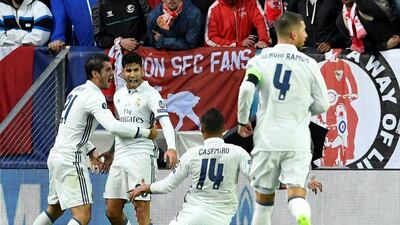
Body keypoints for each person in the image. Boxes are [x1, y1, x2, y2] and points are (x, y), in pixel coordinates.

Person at [32, 54, 158, 225]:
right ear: (95, 74)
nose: (112, 73)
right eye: (107, 69)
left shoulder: (77, 91)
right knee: (82, 215)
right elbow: (113, 126)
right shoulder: (94, 96)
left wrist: (91, 151)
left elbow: (73, 130)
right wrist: (146, 133)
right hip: (71, 159)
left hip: (56, 156)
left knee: (54, 209)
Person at [237, 11, 329, 225]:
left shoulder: (260, 60)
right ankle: (303, 217)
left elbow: (246, 90)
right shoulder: (309, 63)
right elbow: (323, 104)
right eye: (304, 30)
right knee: (296, 194)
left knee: (263, 201)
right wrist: (302, 111)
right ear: (294, 34)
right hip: (297, 139)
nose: (307, 34)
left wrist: (243, 121)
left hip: (267, 139)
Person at [128, 108, 252, 225]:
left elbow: (168, 185)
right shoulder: (238, 152)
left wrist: (146, 188)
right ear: (224, 128)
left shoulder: (192, 154)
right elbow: (255, 177)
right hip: (221, 218)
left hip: (191, 216)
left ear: (202, 129)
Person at [101, 52, 178, 225]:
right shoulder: (118, 95)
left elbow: (165, 122)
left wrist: (171, 147)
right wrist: (112, 151)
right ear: (122, 72)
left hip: (141, 155)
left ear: (142, 70)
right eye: (129, 71)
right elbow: (120, 128)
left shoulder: (151, 94)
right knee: (112, 211)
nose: (133, 75)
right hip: (120, 155)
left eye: (136, 70)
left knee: (141, 210)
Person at [205, 0, 271, 48]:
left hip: (245, 53)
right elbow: (210, 39)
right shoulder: (214, 9)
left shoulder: (250, 1)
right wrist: (236, 44)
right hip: (223, 57)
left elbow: (260, 20)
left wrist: (263, 40)